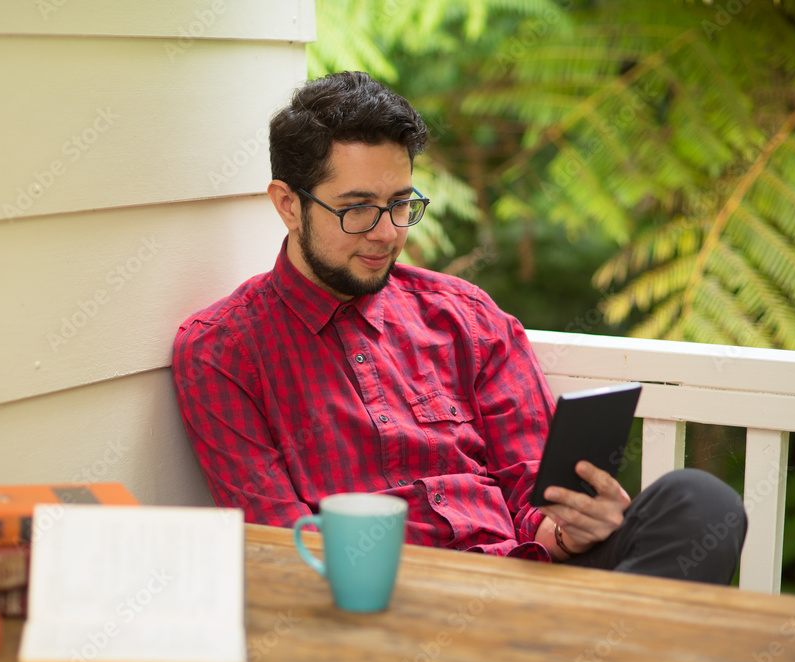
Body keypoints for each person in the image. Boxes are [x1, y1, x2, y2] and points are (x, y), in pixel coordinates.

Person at [172, 71, 746, 584]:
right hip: (382, 604)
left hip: (529, 578)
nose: (386, 233)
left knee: (700, 502)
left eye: (401, 203)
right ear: (288, 204)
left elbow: (532, 497)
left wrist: (566, 529)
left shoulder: (465, 317)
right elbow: (281, 543)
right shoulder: (222, 350)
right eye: (358, 208)